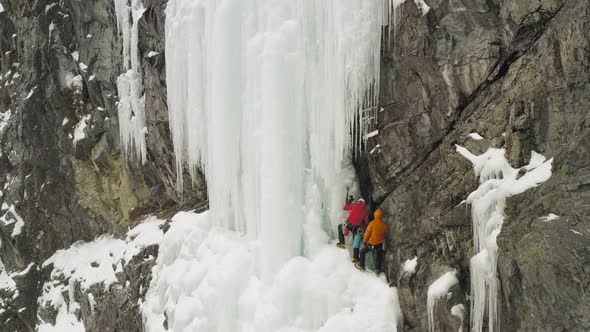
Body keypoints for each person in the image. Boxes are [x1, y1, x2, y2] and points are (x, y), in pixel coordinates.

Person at [355, 208, 388, 273]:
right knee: (379, 256)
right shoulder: (384, 225)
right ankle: (377, 269)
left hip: (372, 244)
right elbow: (385, 234)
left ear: (375, 215)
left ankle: (362, 266)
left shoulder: (372, 223)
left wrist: (365, 241)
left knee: (362, 252)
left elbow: (367, 233)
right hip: (379, 244)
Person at [337, 198, 368, 262]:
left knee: (341, 228)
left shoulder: (354, 205)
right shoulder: (365, 211)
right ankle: (355, 257)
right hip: (357, 227)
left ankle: (342, 243)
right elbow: (366, 221)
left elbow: (345, 208)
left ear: (359, 202)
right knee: (356, 240)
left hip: (349, 224)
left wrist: (349, 202)